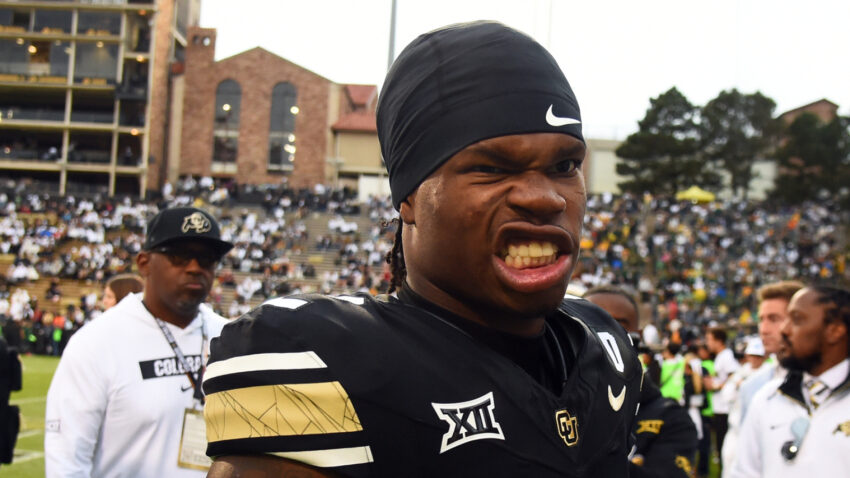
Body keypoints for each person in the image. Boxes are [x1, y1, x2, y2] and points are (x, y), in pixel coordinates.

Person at [204, 21, 642, 477]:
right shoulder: (324, 360)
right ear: (409, 198)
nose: (545, 198)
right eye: (492, 168)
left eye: (565, 165)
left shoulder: (604, 349)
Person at [44, 207, 234, 477]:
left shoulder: (231, 336)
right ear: (144, 263)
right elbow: (67, 461)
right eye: (179, 256)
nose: (195, 268)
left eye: (207, 259)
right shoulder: (96, 342)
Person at [729, 285, 850, 477]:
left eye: (796, 319)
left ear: (835, 331)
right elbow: (743, 473)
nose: (784, 330)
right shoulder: (767, 397)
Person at [584, 286, 697, 478]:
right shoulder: (544, 401)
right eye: (587, 323)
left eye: (616, 326)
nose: (602, 337)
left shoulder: (670, 418)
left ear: (638, 337)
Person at [736, 281, 803, 424]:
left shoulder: (834, 380)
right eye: (761, 319)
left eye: (774, 319)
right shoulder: (751, 387)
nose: (764, 329)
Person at [704, 326, 739, 470]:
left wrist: (716, 385)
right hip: (719, 407)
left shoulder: (726, 355)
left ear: (718, 341)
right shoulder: (720, 356)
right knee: (719, 446)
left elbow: (735, 376)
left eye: (709, 339)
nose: (707, 343)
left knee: (724, 447)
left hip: (725, 409)